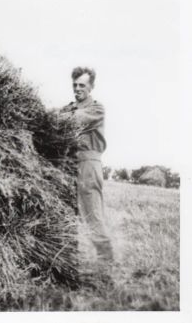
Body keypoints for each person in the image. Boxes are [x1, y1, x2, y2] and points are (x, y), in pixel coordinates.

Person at [60, 67, 114, 263]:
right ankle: (68, 261)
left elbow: (74, 120)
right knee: (66, 214)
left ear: (91, 86)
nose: (77, 88)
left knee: (92, 214)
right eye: (74, 85)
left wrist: (56, 117)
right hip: (67, 164)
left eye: (82, 85)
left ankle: (106, 262)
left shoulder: (96, 109)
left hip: (88, 164)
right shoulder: (68, 108)